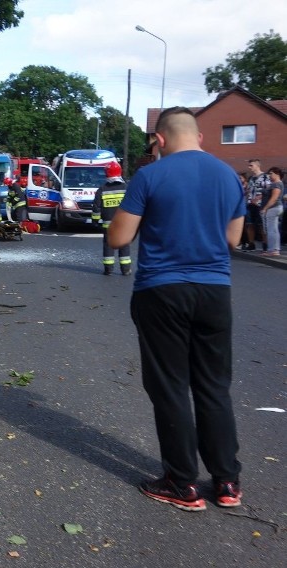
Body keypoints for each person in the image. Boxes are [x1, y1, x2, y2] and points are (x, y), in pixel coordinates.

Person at [108, 107, 245, 512]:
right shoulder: (227, 176)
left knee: (170, 385)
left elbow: (119, 238)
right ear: (200, 137)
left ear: (160, 140)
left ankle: (182, 483)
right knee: (214, 386)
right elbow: (233, 240)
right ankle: (227, 482)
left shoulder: (150, 175)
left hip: (162, 291)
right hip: (215, 291)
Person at [92, 161, 131, 275]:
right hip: (123, 224)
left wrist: (95, 221)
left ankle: (108, 269)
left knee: (108, 246)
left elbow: (96, 208)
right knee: (124, 246)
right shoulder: (126, 188)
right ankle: (125, 269)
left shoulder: (102, 189)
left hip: (108, 225)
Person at [244, 159, 269, 250]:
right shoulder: (251, 178)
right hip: (250, 203)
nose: (249, 167)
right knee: (249, 223)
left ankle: (265, 244)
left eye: (251, 165)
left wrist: (259, 197)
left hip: (260, 204)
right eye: (249, 165)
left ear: (257, 165)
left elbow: (268, 190)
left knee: (261, 224)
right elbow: (249, 190)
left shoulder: (265, 177)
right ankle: (251, 244)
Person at [261, 166, 283, 255]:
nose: (269, 175)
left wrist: (265, 208)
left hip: (273, 208)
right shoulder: (275, 184)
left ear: (277, 174)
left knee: (271, 229)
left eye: (271, 173)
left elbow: (274, 198)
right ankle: (274, 249)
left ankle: (272, 250)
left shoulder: (276, 184)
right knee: (274, 229)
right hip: (275, 208)